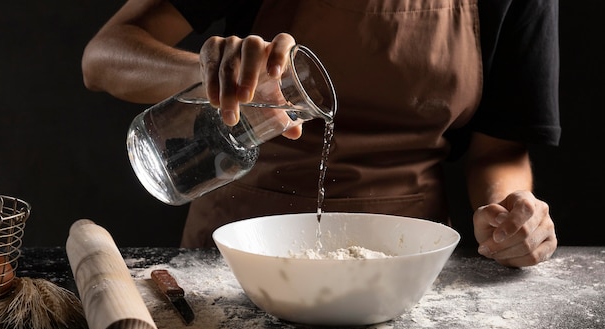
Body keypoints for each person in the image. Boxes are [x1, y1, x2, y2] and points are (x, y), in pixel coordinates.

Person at [81, 0, 560, 267]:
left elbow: (498, 150)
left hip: (405, 263)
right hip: (237, 260)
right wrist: (212, 75)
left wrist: (511, 215)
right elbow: (103, 56)